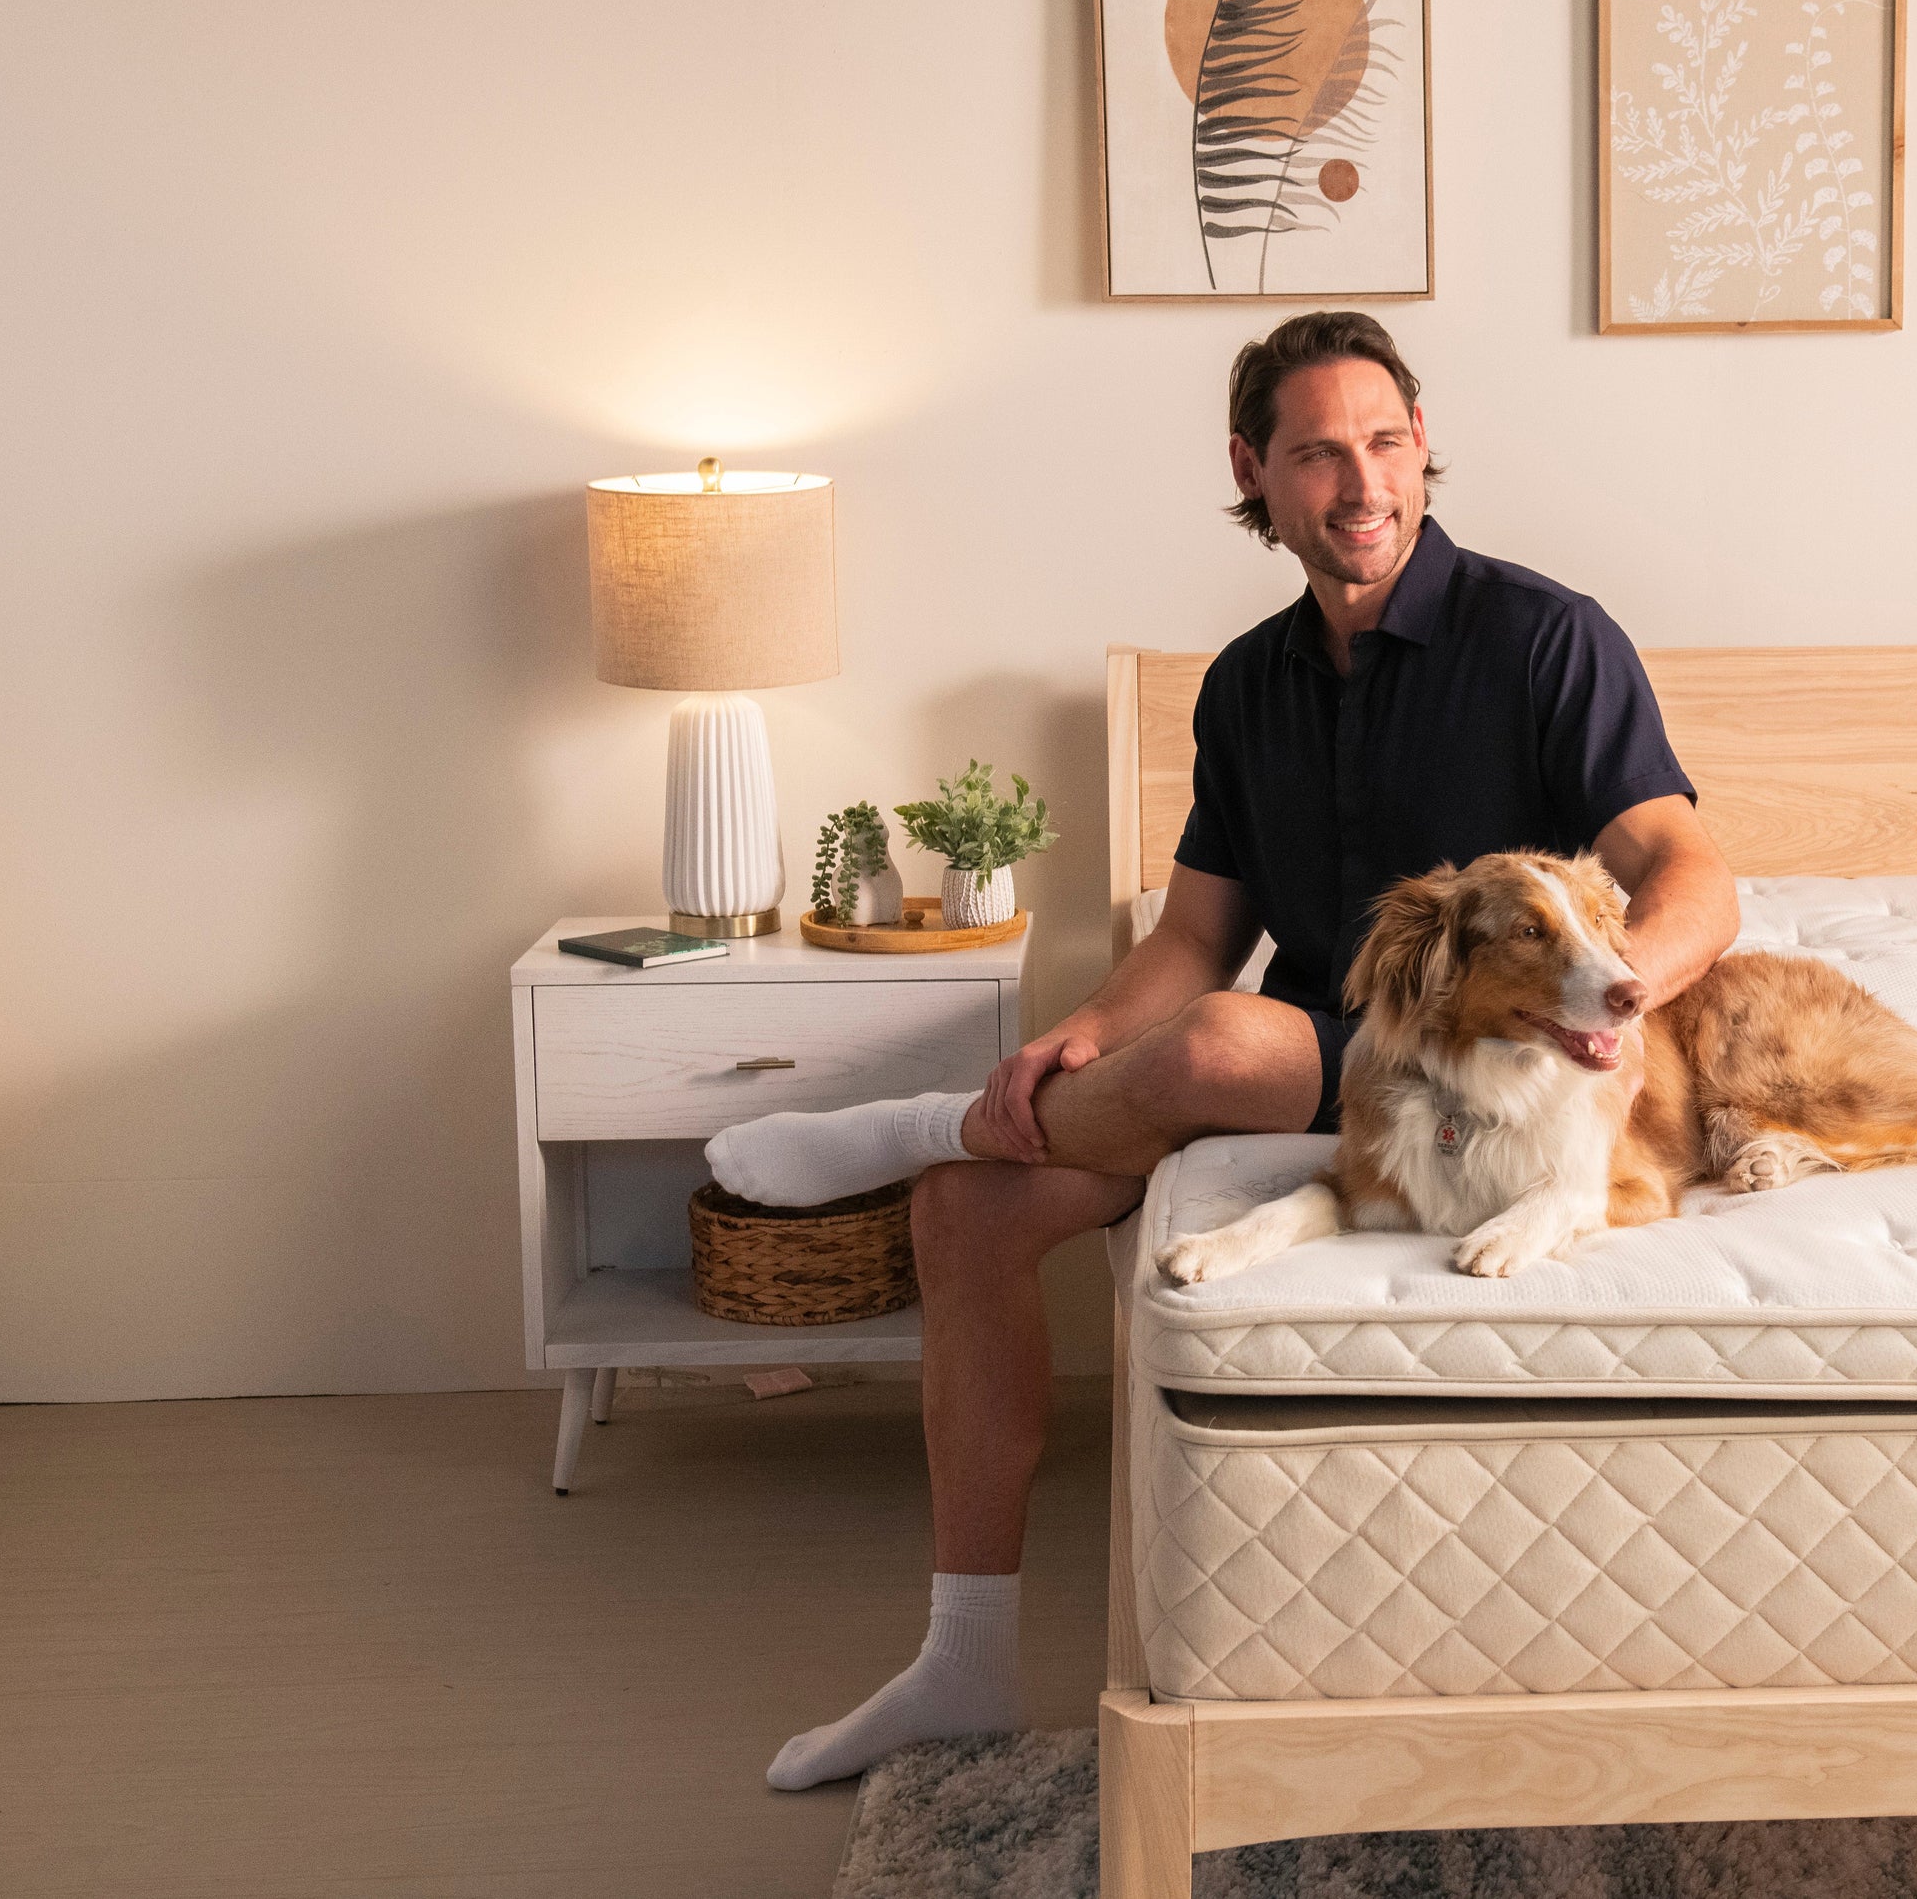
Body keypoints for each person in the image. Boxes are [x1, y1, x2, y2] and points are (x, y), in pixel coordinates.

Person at [709, 310, 1739, 1789]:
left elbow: (1692, 871)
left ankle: (914, 1123)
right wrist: (1072, 1042)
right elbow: (1193, 935)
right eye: (1317, 453)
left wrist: (1618, 998)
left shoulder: (1544, 637)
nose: (1362, 484)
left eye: (1384, 442)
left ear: (1424, 446)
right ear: (1254, 471)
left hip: (1460, 1069)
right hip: (1305, 1055)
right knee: (968, 1214)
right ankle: (962, 1665)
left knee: (1219, 1050)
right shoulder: (1244, 683)